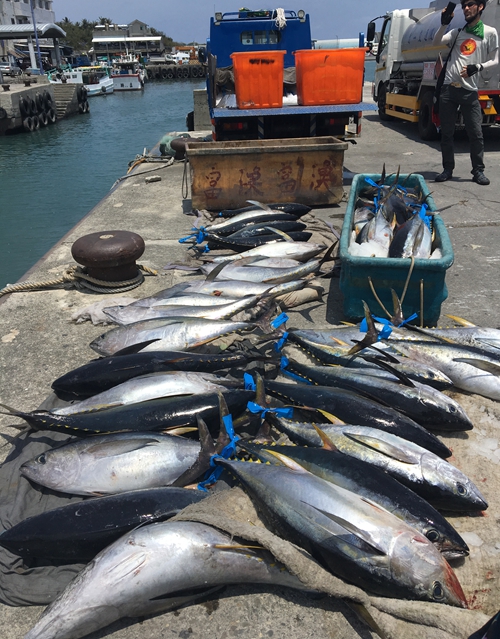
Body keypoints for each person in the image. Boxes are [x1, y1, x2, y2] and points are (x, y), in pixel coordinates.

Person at [433, 0, 499, 185]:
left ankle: (478, 171)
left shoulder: (489, 32)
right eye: (464, 6)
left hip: (469, 90)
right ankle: (447, 169)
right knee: (446, 133)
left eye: (470, 4)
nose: (466, 9)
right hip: (448, 88)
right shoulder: (457, 32)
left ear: (480, 7)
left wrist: (477, 67)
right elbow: (436, 42)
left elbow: (495, 60)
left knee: (476, 133)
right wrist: (444, 23)